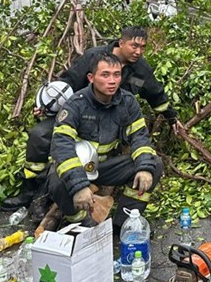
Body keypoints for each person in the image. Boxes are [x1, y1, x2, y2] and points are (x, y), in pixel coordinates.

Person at [1, 26, 177, 211]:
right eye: (134, 46)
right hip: (80, 115)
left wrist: (172, 117)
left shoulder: (141, 70)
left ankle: (124, 219)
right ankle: (31, 192)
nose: (138, 51)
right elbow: (69, 81)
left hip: (113, 123)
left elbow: (156, 95)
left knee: (149, 162)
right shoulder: (94, 57)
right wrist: (47, 106)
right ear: (121, 42)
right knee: (40, 136)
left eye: (143, 47)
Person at [47, 52, 163, 227]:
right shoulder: (75, 105)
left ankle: (124, 223)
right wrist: (78, 185)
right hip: (79, 167)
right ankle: (82, 223)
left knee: (155, 163)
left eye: (116, 75)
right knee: (56, 181)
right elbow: (61, 146)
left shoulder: (127, 102)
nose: (112, 81)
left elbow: (140, 137)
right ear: (91, 78)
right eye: (105, 75)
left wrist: (144, 167)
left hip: (105, 167)